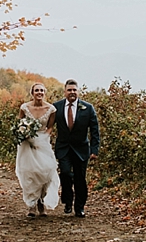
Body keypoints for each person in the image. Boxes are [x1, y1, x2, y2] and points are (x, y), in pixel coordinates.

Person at [53, 79, 100, 218]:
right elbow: (47, 125)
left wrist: (94, 149)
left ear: (78, 91)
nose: (72, 92)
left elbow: (94, 130)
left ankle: (79, 207)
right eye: (69, 90)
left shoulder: (88, 108)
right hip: (63, 148)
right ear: (65, 92)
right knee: (66, 174)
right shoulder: (56, 107)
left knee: (80, 179)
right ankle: (67, 200)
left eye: (74, 90)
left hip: (81, 149)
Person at [15, 83, 60, 217]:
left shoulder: (51, 109)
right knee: (29, 173)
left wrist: (44, 138)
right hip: (27, 143)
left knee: (46, 171)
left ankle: (41, 200)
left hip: (43, 142)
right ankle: (31, 205)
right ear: (32, 93)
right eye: (36, 90)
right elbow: (19, 124)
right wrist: (24, 134)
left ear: (44, 92)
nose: (39, 93)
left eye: (41, 90)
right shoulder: (24, 107)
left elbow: (50, 127)